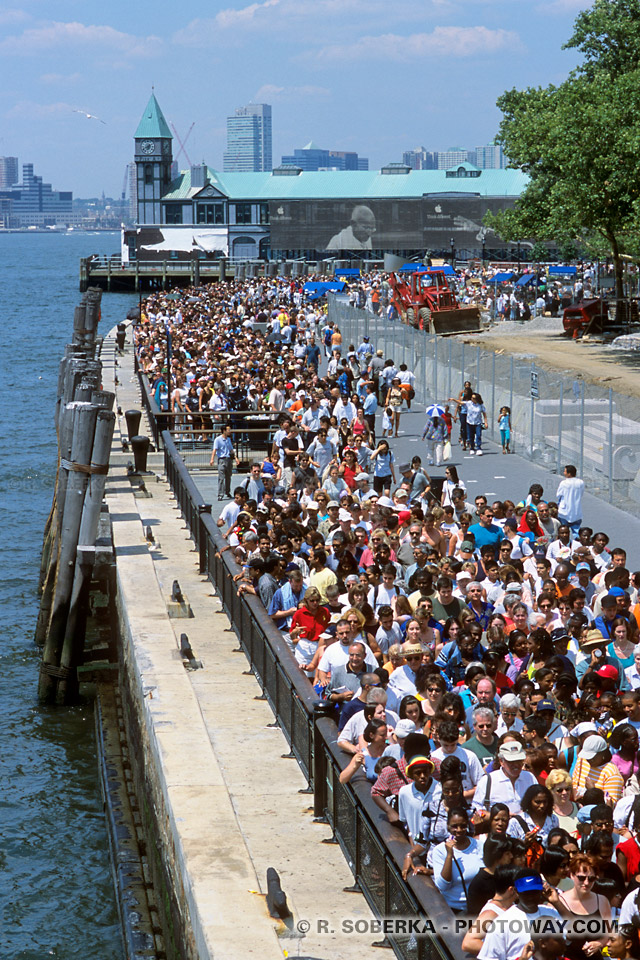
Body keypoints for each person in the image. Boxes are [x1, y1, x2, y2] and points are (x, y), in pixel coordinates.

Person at [555, 853, 613, 960]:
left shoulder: (602, 901)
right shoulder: (559, 902)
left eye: (591, 879)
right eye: (581, 878)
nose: (586, 883)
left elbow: (609, 933)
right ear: (572, 875)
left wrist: (599, 944)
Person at [431, 808, 484, 912]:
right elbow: (442, 886)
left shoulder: (479, 845)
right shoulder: (439, 851)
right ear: (448, 827)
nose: (459, 830)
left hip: (479, 907)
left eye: (463, 826)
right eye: (454, 826)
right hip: (454, 910)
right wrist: (449, 856)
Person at [209, 423, 239, 500]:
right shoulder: (218, 440)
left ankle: (227, 491)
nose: (229, 431)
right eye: (228, 430)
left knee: (228, 476)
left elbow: (231, 450)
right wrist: (212, 459)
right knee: (221, 477)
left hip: (229, 459)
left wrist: (236, 458)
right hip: (222, 459)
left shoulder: (228, 440)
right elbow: (214, 449)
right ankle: (220, 494)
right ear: (224, 431)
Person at [556, 465, 585, 536]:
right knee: (576, 532)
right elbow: (581, 494)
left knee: (563, 532)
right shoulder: (581, 482)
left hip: (564, 513)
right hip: (576, 512)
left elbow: (559, 495)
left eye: (565, 471)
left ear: (569, 473)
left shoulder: (564, 483)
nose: (564, 472)